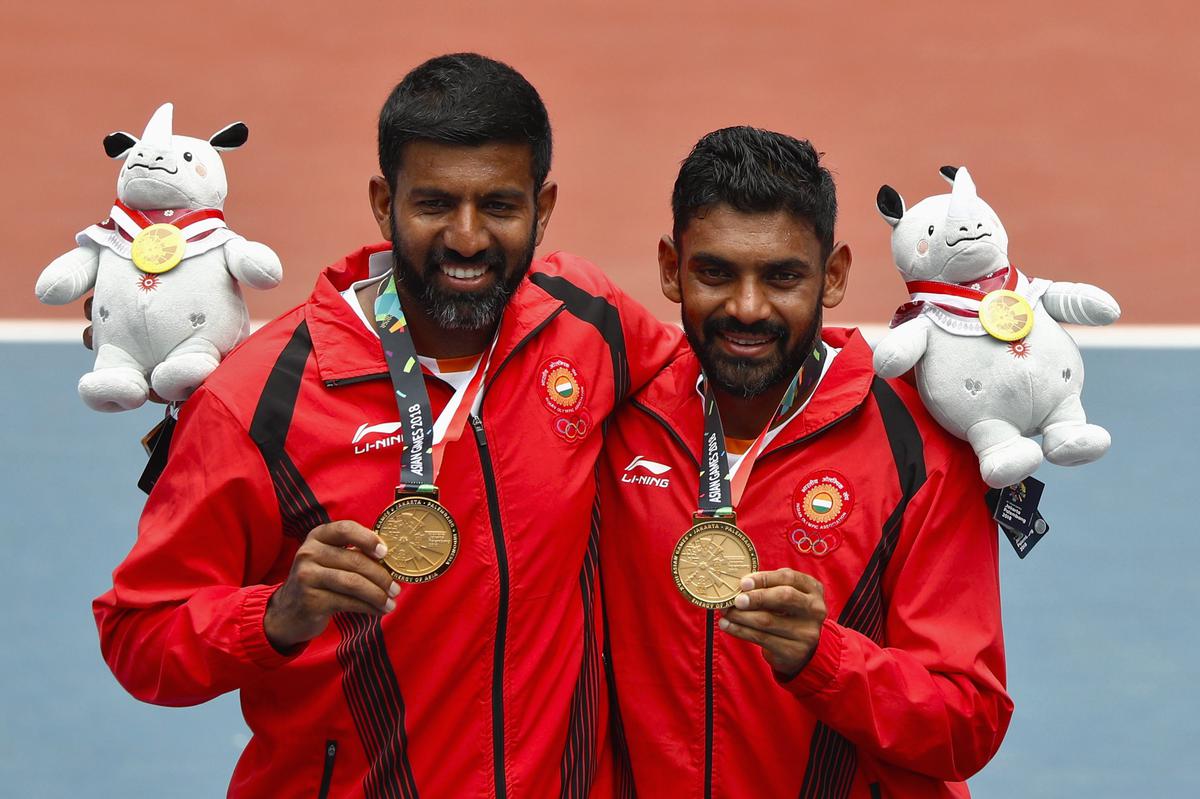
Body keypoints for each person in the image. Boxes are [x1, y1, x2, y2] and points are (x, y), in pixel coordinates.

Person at [93, 53, 681, 798]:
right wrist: (276, 613)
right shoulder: (261, 398)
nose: (467, 238)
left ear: (545, 204)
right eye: (434, 203)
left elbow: (718, 385)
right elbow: (139, 636)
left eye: (500, 206)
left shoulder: (587, 321)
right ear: (383, 201)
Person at [597, 127, 1012, 798]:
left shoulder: (917, 444)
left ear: (836, 273)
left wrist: (826, 659)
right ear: (671, 268)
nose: (748, 307)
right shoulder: (618, 414)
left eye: (784, 276)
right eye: (716, 272)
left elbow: (970, 722)